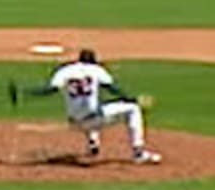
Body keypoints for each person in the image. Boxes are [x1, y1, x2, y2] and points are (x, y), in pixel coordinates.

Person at [22, 46, 159, 164]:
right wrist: (130, 99)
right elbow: (112, 88)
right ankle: (138, 153)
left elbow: (49, 90)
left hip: (74, 123)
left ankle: (93, 142)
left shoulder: (65, 70)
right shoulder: (96, 69)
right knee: (132, 110)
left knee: (91, 105)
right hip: (94, 120)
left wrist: (26, 92)